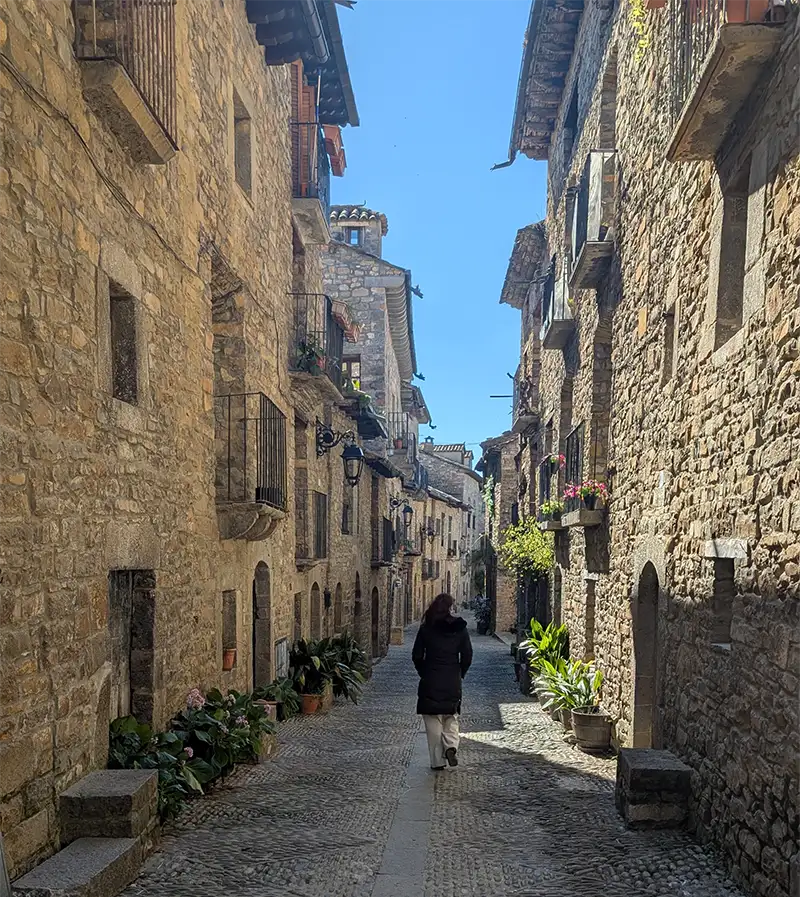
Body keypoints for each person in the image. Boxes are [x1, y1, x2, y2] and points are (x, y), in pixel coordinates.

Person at [412, 593, 473, 770]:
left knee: (432, 722)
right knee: (450, 716)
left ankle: (437, 762)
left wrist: (423, 671)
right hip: (452, 678)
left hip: (430, 678)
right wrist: (460, 672)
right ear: (449, 608)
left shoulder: (425, 629)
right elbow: (467, 654)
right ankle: (451, 746)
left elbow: (416, 655)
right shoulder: (460, 628)